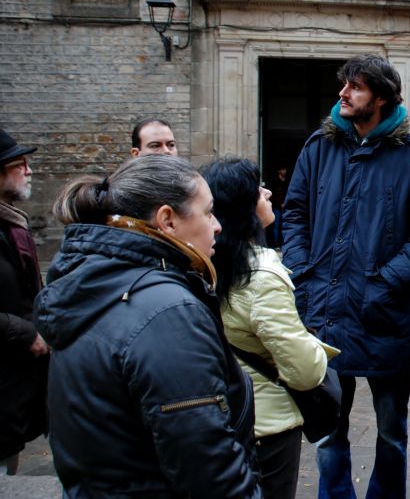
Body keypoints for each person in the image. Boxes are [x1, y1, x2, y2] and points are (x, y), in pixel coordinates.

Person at [34, 154, 262, 498]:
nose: (216, 226)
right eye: (207, 211)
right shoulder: (169, 312)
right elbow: (209, 469)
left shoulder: (93, 284)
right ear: (167, 220)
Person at [282, 54, 410, 498]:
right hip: (323, 313)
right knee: (327, 430)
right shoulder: (317, 148)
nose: (342, 94)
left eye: (354, 87)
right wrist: (302, 268)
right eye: (343, 86)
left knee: (391, 433)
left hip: (381, 314)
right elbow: (295, 213)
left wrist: (386, 281)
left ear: (380, 97)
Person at [203, 157, 340, 499]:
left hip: (226, 413)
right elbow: (305, 372)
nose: (266, 193)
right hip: (267, 423)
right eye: (257, 190)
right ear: (242, 208)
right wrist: (315, 348)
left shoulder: (209, 263)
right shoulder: (261, 275)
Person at [0, 128, 47, 476]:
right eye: (20, 164)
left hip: (13, 387)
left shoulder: (12, 222)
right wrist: (24, 333)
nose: (29, 171)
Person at [265, 165, 290, 249]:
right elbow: (274, 195)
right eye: (282, 169)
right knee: (276, 225)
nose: (284, 171)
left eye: (285, 169)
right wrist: (280, 203)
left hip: (285, 206)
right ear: (279, 171)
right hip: (277, 206)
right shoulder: (275, 182)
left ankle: (283, 243)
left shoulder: (287, 182)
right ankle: (276, 244)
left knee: (285, 225)